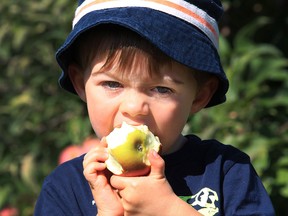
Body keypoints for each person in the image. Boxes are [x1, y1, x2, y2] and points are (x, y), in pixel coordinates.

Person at [34, 0, 275, 215]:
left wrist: (169, 209)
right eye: (112, 83)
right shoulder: (66, 189)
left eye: (161, 89)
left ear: (199, 96)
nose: (134, 107)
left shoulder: (227, 172)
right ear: (81, 84)